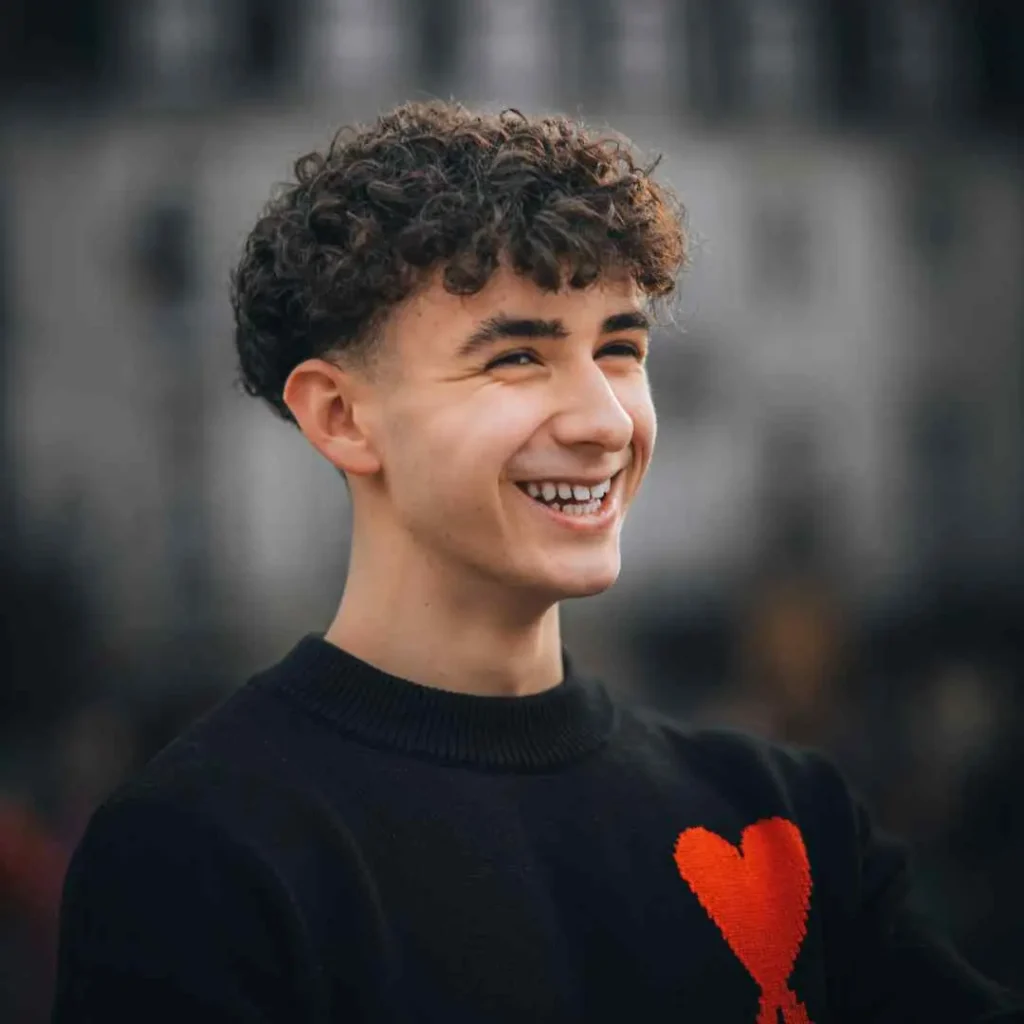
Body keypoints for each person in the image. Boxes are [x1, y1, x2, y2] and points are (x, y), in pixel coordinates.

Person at [50, 101, 1022, 1023]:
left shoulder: (785, 818)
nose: (604, 421)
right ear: (341, 416)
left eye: (620, 348)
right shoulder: (202, 851)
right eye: (516, 357)